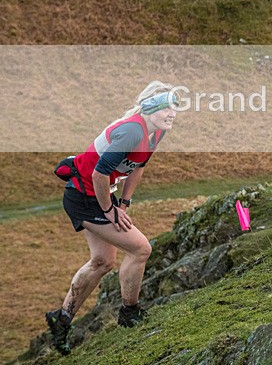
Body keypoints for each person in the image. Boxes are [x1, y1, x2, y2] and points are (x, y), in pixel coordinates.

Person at [45, 81, 180, 355]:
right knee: (141, 249)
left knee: (103, 261)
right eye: (167, 108)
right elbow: (98, 174)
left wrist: (125, 203)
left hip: (98, 194)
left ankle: (61, 318)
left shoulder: (155, 133)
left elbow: (138, 167)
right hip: (84, 196)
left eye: (175, 108)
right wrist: (109, 210)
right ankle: (130, 313)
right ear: (151, 109)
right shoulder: (132, 131)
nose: (173, 114)